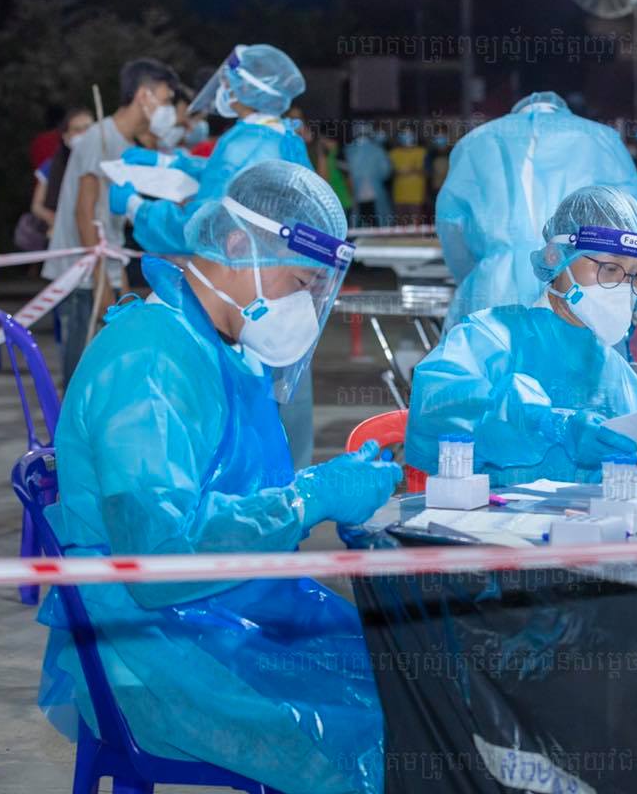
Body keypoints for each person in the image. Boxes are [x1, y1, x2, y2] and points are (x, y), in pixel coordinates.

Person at [37, 159, 395, 794]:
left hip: (225, 609)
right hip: (152, 645)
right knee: (378, 730)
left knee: (410, 678)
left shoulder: (216, 346)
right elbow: (159, 555)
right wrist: (309, 499)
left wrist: (318, 492)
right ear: (236, 246)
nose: (305, 305)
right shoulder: (151, 360)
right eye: (300, 283)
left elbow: (229, 497)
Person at [406, 185, 637, 487]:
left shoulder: (612, 369)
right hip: (492, 515)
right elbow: (435, 414)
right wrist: (553, 425)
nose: (623, 286)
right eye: (610, 268)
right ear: (555, 256)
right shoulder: (491, 338)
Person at [436, 92, 637, 327]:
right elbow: (630, 229)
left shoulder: (476, 142)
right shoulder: (601, 140)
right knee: (574, 348)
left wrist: (480, 270)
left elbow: (452, 228)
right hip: (577, 286)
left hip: (495, 289)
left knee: (492, 347)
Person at [45, 59, 179, 386]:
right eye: (166, 100)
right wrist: (102, 280)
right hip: (81, 273)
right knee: (82, 365)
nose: (168, 110)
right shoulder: (99, 138)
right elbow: (84, 212)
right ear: (143, 96)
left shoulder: (125, 145)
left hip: (108, 264)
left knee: (114, 354)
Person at [115, 44, 310, 255]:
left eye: (227, 80)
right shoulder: (278, 135)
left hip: (242, 264)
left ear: (246, 89)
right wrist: (169, 162)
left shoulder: (245, 145)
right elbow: (227, 174)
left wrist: (136, 207)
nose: (222, 87)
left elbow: (200, 227)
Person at [22, 108, 95, 246]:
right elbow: (36, 205)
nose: (84, 134)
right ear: (66, 136)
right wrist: (54, 219)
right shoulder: (52, 166)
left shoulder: (107, 165)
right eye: (77, 130)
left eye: (88, 128)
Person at [345, 121, 392, 228]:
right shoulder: (378, 150)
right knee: (378, 223)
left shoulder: (348, 150)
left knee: (357, 225)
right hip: (375, 193)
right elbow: (386, 172)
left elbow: (345, 173)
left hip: (354, 192)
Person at [389, 126, 429, 225]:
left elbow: (428, 172)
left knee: (416, 226)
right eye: (404, 134)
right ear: (399, 136)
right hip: (399, 196)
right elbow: (388, 173)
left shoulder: (422, 152)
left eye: (409, 134)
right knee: (401, 226)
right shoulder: (393, 153)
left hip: (417, 197)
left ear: (415, 135)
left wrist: (414, 170)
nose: (407, 136)